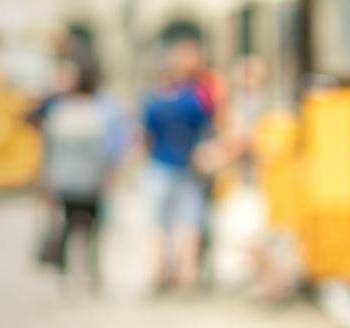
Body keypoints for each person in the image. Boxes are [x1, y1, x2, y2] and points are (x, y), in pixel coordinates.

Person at [30, 57, 127, 291]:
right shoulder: (66, 106)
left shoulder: (96, 107)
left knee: (88, 226)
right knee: (74, 226)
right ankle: (77, 273)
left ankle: (86, 272)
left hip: (84, 178)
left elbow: (114, 144)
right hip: (71, 178)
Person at [141, 34, 213, 292]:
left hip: (160, 165)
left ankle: (159, 274)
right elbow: (209, 129)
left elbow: (146, 136)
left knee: (160, 224)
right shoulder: (197, 98)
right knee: (189, 223)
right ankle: (187, 275)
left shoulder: (154, 98)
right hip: (189, 167)